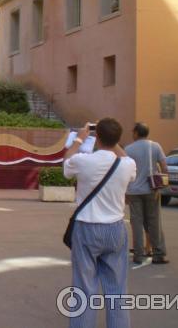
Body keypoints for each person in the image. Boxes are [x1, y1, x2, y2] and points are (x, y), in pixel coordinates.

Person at [63, 119, 136, 328]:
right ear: (117, 139)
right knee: (117, 288)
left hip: (86, 228)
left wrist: (79, 138)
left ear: (97, 137)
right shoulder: (126, 164)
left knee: (84, 287)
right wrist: (113, 141)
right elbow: (127, 160)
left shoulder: (84, 160)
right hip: (115, 228)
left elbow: (66, 163)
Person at [125, 122, 169, 265]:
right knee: (154, 221)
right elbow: (164, 167)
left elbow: (125, 171)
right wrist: (161, 183)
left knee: (136, 222)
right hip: (151, 189)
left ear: (136, 133)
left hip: (133, 191)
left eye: (133, 132)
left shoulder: (128, 149)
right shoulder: (155, 146)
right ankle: (159, 254)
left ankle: (139, 255)